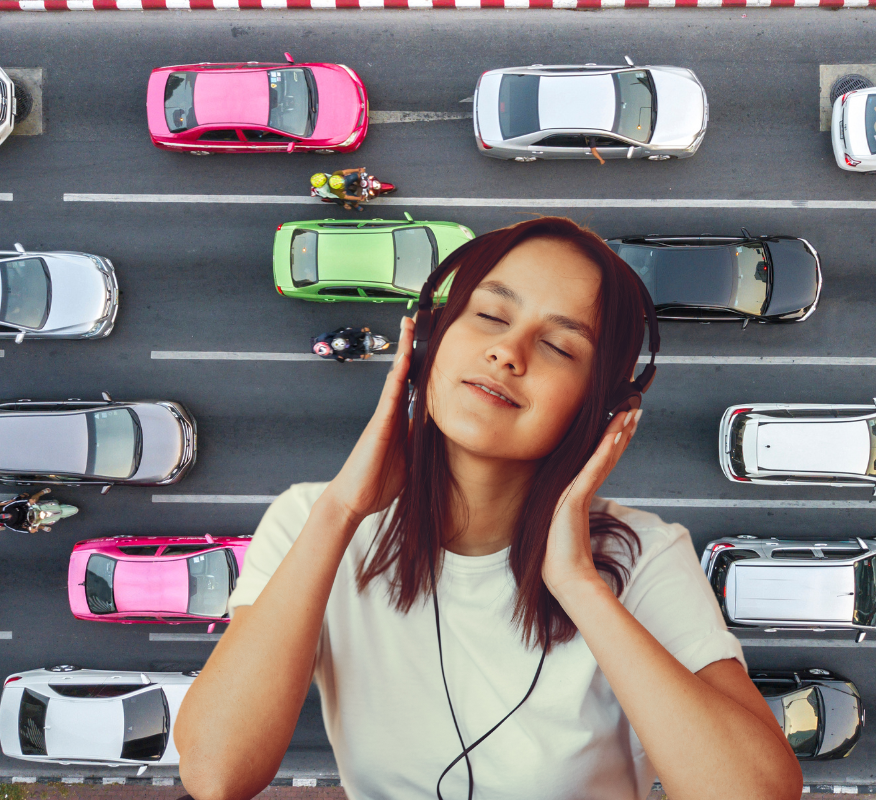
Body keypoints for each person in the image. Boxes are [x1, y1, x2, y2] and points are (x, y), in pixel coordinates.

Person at [175, 218, 802, 800]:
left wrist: (578, 584)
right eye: (490, 314)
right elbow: (217, 772)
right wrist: (341, 510)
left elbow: (757, 792)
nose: (508, 353)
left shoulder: (642, 557)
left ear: (603, 411)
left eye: (559, 347)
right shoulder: (312, 521)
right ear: (426, 343)